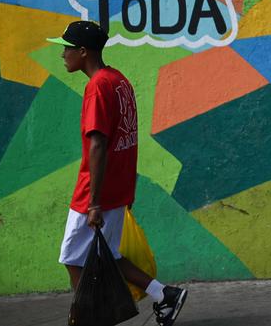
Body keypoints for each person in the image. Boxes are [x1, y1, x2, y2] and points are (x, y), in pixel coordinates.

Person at [50, 21, 188, 326]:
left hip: (94, 191)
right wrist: (124, 192)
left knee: (72, 258)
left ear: (83, 52)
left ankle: (89, 317)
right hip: (116, 188)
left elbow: (98, 144)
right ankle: (164, 294)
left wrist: (94, 203)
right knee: (108, 254)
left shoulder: (97, 87)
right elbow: (126, 139)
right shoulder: (119, 81)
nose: (63, 55)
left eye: (67, 48)